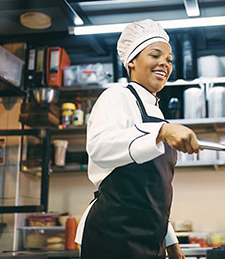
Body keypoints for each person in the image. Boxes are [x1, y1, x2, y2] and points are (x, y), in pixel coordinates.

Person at [75, 19, 200, 259]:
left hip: (149, 238)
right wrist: (162, 132)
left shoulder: (156, 112)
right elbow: (99, 147)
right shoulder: (116, 96)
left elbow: (151, 197)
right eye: (155, 55)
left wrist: (171, 243)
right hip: (114, 236)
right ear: (131, 61)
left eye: (169, 59)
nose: (164, 62)